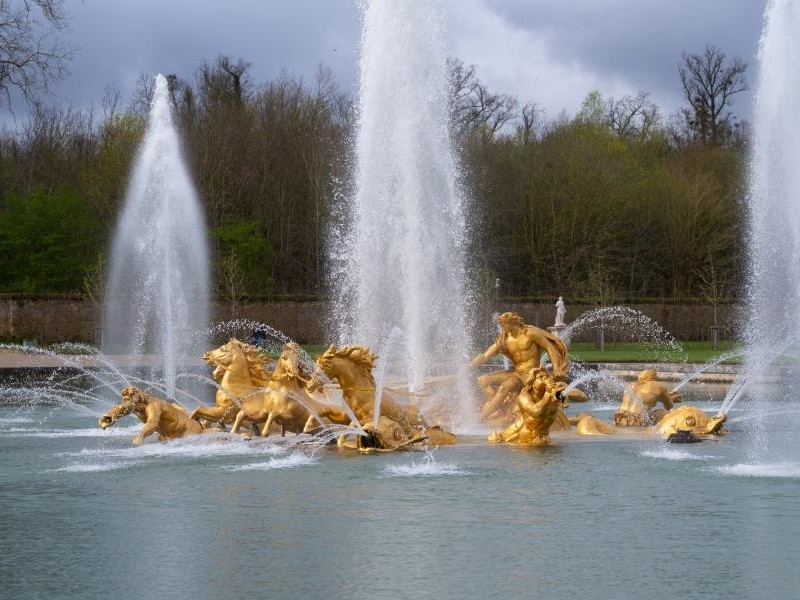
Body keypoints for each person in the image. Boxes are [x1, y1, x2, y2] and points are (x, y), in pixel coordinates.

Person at [470, 311, 569, 421]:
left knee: (504, 387)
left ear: (512, 322)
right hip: (516, 373)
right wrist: (470, 366)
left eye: (504, 325)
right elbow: (485, 355)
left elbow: (550, 348)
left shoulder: (530, 334)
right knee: (482, 380)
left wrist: (556, 370)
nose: (502, 328)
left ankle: (481, 418)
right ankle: (502, 410)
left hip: (531, 374)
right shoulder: (504, 339)